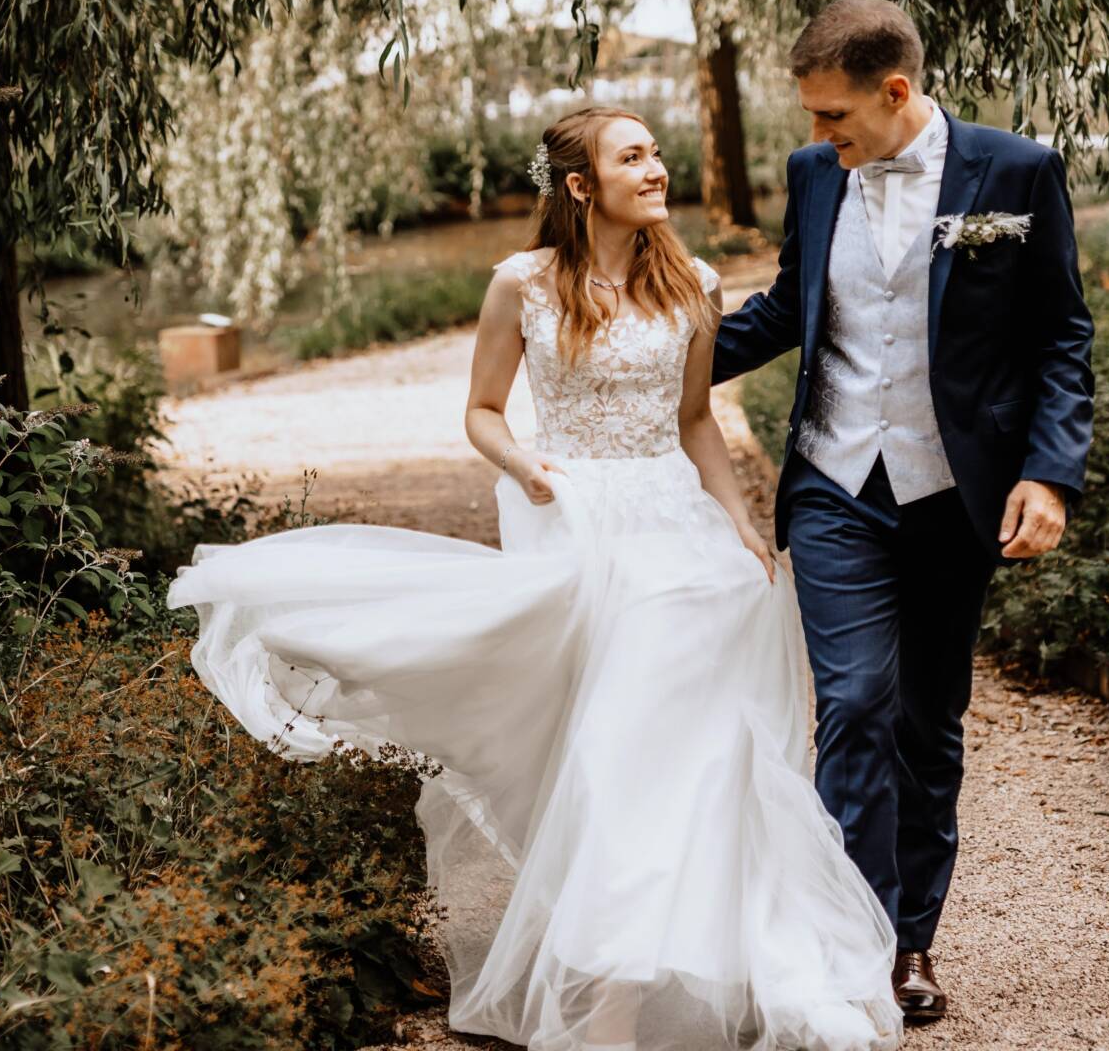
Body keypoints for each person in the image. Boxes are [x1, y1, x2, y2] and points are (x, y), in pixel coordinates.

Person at [169, 105, 905, 1051]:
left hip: (679, 531)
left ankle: (704, 967)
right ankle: (611, 996)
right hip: (578, 521)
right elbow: (481, 410)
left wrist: (738, 521)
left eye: (655, 153)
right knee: (607, 752)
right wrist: (522, 464)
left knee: (698, 753)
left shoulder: (696, 284)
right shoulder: (522, 283)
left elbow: (694, 422)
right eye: (632, 157)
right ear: (581, 185)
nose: (656, 168)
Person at [711, 0, 1096, 1024]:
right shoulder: (814, 175)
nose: (817, 133)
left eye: (833, 115)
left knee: (927, 722)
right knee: (853, 706)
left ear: (895, 90)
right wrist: (645, 359)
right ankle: (854, 943)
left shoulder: (1016, 172)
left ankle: (912, 942)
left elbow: (1061, 335)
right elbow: (787, 309)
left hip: (952, 493)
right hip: (835, 485)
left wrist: (1050, 473)